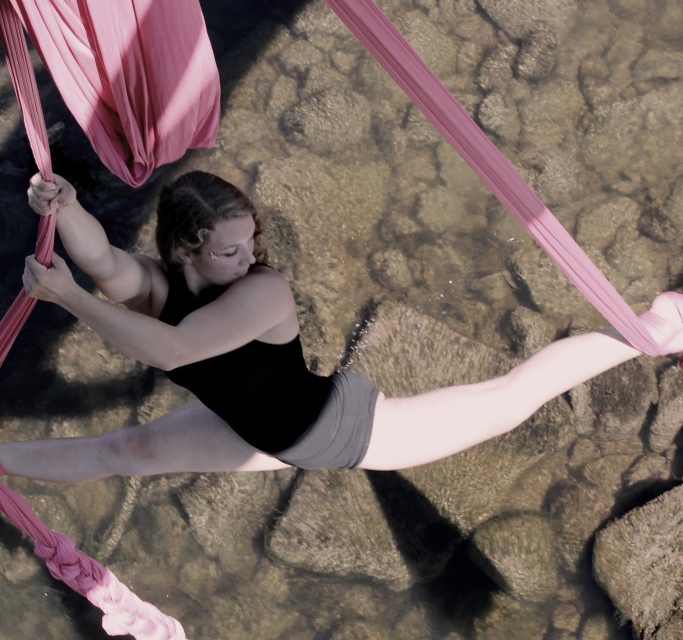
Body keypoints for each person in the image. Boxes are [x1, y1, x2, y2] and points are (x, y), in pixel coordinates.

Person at [2, 170, 682, 483]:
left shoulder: (263, 293)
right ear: (185, 250)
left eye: (252, 242)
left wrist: (73, 302)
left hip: (343, 431)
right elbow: (97, 257)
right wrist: (62, 207)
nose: (251, 258)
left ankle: (654, 328)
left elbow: (177, 348)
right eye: (231, 249)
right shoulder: (157, 284)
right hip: (254, 429)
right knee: (131, 453)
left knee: (510, 399)